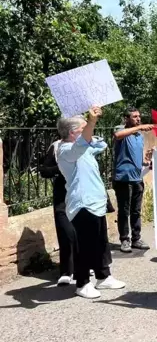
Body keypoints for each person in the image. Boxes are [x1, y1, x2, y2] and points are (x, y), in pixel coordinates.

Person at [57, 107, 125, 299]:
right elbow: (80, 146)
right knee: (84, 245)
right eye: (84, 128)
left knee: (100, 242)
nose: (89, 131)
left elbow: (101, 144)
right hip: (82, 204)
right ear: (72, 133)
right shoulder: (65, 150)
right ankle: (82, 283)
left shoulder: (84, 147)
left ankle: (104, 276)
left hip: (96, 202)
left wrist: (89, 133)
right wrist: (92, 121)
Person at [113, 107, 153, 253]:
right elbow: (117, 135)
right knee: (124, 210)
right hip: (123, 178)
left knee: (136, 210)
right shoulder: (121, 129)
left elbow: (136, 157)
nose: (138, 119)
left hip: (137, 177)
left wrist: (146, 163)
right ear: (126, 118)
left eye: (139, 117)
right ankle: (124, 239)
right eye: (135, 117)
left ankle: (136, 238)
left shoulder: (138, 136)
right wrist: (141, 127)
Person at [40, 139, 77, 286]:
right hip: (63, 193)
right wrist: (61, 167)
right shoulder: (56, 146)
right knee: (65, 231)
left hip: (82, 191)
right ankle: (66, 271)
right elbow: (44, 171)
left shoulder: (85, 143)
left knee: (83, 230)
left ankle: (84, 264)